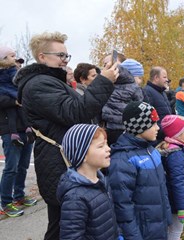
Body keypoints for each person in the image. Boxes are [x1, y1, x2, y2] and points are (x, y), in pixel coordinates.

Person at [14, 31, 119, 239]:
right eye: (60, 55)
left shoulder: (50, 81)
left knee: (69, 222)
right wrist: (104, 82)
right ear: (42, 56)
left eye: (66, 56)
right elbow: (76, 112)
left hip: (64, 158)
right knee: (63, 225)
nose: (65, 60)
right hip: (58, 160)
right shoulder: (38, 85)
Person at [108, 101, 172, 240]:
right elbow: (122, 205)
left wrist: (167, 218)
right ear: (139, 126)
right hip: (141, 231)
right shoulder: (123, 160)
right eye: (153, 124)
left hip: (158, 226)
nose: (158, 128)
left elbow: (162, 189)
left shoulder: (151, 151)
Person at [57, 124, 122, 240]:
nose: (108, 148)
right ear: (82, 155)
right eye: (101, 146)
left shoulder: (101, 181)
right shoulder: (75, 198)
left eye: (106, 144)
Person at [0, 95, 36, 217]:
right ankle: (5, 203)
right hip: (9, 132)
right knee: (11, 169)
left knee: (23, 166)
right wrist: (15, 101)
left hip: (25, 129)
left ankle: (19, 196)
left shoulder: (17, 83)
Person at [102, 58, 144, 145]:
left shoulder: (110, 83)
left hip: (109, 127)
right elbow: (139, 107)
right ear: (131, 74)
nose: (140, 81)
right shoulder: (134, 87)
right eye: (139, 77)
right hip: (126, 128)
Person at [0, 46, 34, 147]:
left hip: (9, 95)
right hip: (14, 95)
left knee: (14, 113)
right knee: (18, 111)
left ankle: (18, 133)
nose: (17, 61)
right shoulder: (12, 70)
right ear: (5, 59)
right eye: (13, 56)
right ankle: (26, 130)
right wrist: (14, 101)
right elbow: (17, 80)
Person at [144, 66, 172, 143]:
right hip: (157, 138)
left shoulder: (162, 92)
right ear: (156, 78)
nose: (167, 80)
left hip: (165, 135)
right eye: (164, 77)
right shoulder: (147, 92)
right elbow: (149, 117)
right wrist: (162, 131)